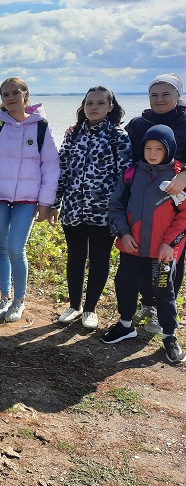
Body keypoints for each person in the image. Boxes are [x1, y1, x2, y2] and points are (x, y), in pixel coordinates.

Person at [0, 77, 60, 323]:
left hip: (27, 199)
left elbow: (51, 167)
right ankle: (4, 296)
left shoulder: (41, 126)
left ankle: (19, 301)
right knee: (1, 247)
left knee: (15, 248)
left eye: (15, 93)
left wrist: (45, 203)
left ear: (26, 95)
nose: (10, 98)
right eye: (5, 94)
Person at [101, 125, 186, 364]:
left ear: (169, 150)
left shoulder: (177, 178)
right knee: (125, 284)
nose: (152, 152)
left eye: (159, 148)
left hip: (163, 252)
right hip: (133, 247)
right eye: (148, 148)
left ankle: (169, 335)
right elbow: (116, 206)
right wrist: (123, 234)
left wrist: (170, 244)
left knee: (164, 293)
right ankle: (126, 324)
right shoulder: (131, 174)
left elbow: (184, 216)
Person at [52, 87, 132, 329]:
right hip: (74, 207)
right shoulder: (73, 133)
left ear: (110, 107)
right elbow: (62, 170)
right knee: (75, 257)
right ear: (83, 106)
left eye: (100, 103)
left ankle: (90, 309)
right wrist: (55, 202)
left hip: (104, 210)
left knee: (99, 259)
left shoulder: (119, 135)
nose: (93, 107)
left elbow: (126, 175)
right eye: (89, 103)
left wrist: (122, 211)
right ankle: (74, 306)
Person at [125, 74, 186, 333]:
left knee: (170, 256)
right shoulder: (139, 123)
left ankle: (164, 310)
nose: (159, 99)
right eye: (154, 95)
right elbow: (122, 149)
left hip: (176, 199)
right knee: (141, 252)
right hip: (143, 197)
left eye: (166, 94)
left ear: (178, 96)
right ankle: (147, 304)